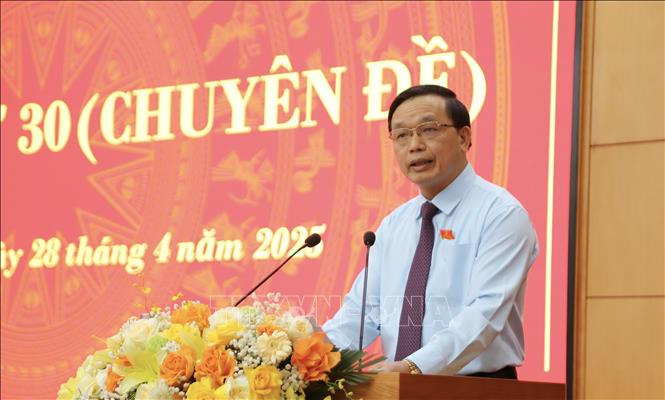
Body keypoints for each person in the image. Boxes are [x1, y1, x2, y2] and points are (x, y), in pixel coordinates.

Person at [322, 85, 538, 378]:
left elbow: (484, 314)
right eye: (401, 135)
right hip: (401, 388)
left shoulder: (500, 214)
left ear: (463, 138)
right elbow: (361, 313)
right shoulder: (394, 225)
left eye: (428, 130)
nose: (414, 145)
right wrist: (310, 356)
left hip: (477, 387)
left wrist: (414, 367)